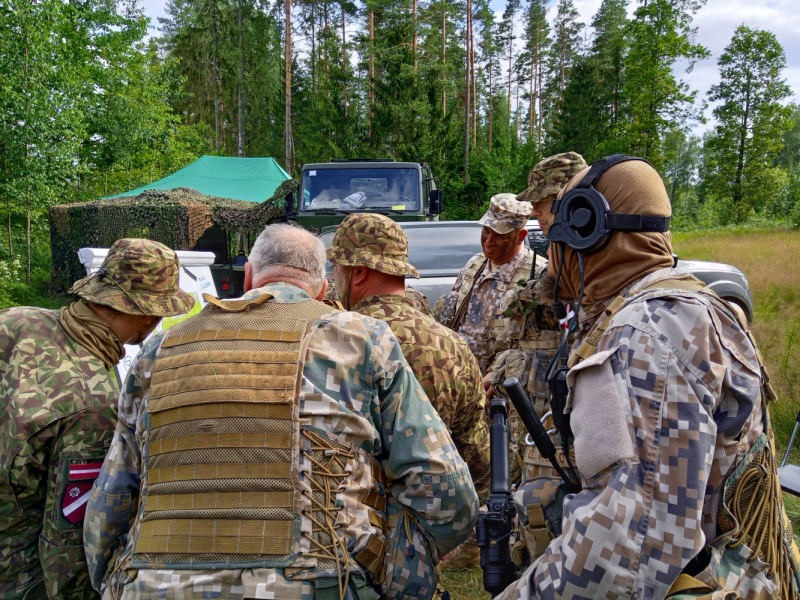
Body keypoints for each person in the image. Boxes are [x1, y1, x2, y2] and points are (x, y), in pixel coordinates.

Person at [83, 223, 478, 600]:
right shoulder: (362, 339)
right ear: (322, 288)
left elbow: (110, 504)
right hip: (321, 584)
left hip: (153, 585)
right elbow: (447, 490)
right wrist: (398, 573)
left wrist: (115, 581)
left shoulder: (159, 351)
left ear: (248, 276)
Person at [498, 156, 799, 600]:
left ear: (587, 230)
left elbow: (621, 555)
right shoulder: (685, 303)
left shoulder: (643, 334)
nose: (552, 255)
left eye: (557, 236)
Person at [0, 238, 194, 600]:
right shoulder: (95, 406)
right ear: (149, 315)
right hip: (18, 574)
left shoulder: (15, 321)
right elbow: (67, 545)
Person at [326, 213, 491, 502]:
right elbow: (476, 457)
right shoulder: (454, 345)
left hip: (355, 515)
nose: (332, 277)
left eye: (336, 267)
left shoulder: (334, 338)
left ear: (358, 272)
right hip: (434, 514)